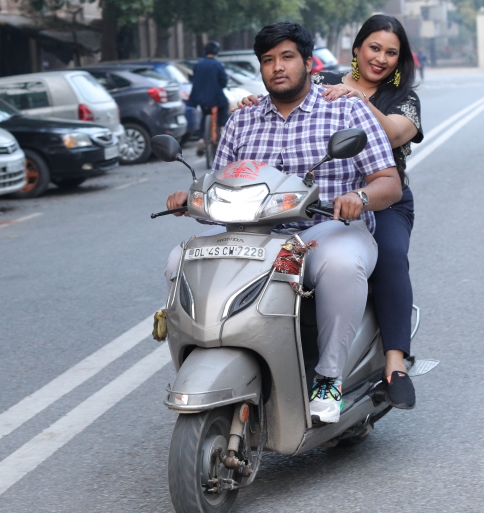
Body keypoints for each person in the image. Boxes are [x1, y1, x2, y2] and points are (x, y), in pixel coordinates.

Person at [165, 22, 401, 423]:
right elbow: (218, 181)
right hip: (254, 235)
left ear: (309, 63)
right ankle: (204, 359)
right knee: (179, 259)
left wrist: (357, 198)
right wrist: (191, 199)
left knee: (342, 264)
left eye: (287, 57)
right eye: (268, 60)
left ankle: (328, 376)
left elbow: (388, 182)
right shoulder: (243, 119)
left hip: (327, 230)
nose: (277, 67)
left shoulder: (345, 107)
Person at [310, 14, 424, 410]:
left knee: (390, 256)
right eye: (374, 48)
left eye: (391, 53)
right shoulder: (323, 83)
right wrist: (254, 101)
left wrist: (358, 99)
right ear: (357, 47)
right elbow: (286, 106)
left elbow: (392, 134)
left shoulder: (403, 99)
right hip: (323, 196)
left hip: (382, 197)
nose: (381, 59)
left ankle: (396, 363)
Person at [186, 41, 229, 147]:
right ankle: (223, 129)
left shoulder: (198, 65)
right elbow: (223, 81)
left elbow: (193, 80)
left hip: (201, 99)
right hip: (216, 98)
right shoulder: (218, 64)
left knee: (205, 115)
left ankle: (201, 138)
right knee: (225, 106)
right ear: (216, 51)